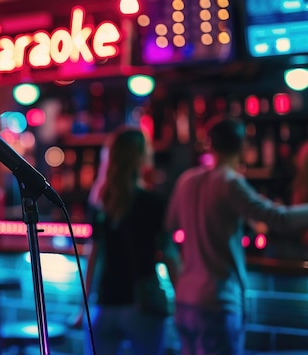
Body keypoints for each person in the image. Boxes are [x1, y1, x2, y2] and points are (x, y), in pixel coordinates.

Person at [165, 118, 308, 355]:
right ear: (242, 146)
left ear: (211, 145)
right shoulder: (229, 182)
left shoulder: (185, 181)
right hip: (217, 302)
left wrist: (178, 283)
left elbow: (165, 238)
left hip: (185, 303)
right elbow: (278, 218)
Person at [81, 126, 179, 355]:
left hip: (104, 305)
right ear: (141, 156)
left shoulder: (100, 203)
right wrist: (182, 299)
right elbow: (168, 254)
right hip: (142, 303)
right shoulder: (153, 201)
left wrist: (83, 305)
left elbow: (93, 255)